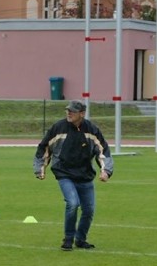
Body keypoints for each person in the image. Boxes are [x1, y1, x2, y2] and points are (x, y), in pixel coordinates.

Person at [34, 100, 113, 251]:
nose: (69, 113)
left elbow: (102, 150)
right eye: (67, 111)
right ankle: (68, 239)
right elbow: (44, 147)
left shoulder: (91, 129)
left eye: (73, 111)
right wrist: (40, 168)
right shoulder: (59, 127)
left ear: (82, 114)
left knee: (89, 210)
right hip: (64, 174)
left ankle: (81, 239)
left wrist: (105, 170)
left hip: (85, 175)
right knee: (72, 203)